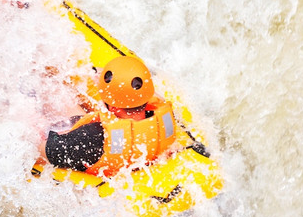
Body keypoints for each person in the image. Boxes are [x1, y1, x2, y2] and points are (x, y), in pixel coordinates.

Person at [41, 56, 198, 178]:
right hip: (133, 158)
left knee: (55, 91)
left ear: (113, 107)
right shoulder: (163, 116)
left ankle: (46, 75)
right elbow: (145, 92)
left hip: (96, 160)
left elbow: (42, 150)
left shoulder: (93, 137)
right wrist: (96, 72)